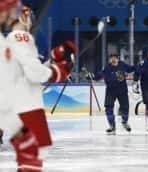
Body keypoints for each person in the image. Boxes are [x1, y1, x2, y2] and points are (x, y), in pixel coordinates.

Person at [0, 2, 76, 171]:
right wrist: (57, 71)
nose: (30, 21)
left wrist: (52, 62)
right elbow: (34, 72)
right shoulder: (20, 37)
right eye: (28, 17)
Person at [94, 54, 135, 135]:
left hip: (122, 91)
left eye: (115, 58)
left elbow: (131, 69)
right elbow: (98, 76)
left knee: (125, 107)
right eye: (111, 58)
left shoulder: (122, 65)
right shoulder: (107, 68)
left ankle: (124, 122)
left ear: (118, 59)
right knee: (108, 108)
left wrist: (138, 66)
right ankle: (112, 126)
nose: (113, 60)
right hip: (110, 91)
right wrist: (92, 77)